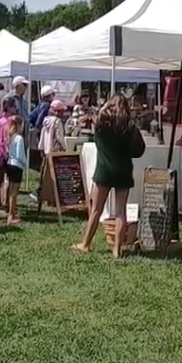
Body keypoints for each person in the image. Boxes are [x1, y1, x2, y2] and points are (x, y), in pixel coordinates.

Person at [73, 94, 145, 258]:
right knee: (121, 211)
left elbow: (96, 136)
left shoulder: (101, 125)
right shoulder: (130, 126)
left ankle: (85, 243)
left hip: (104, 170)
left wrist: (105, 108)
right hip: (124, 170)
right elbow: (138, 151)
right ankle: (117, 250)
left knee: (96, 210)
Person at [5, 115, 27, 225]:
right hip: (17, 166)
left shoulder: (10, 136)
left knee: (10, 191)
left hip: (9, 164)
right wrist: (25, 163)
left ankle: (10, 212)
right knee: (14, 193)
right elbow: (20, 155)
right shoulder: (19, 138)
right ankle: (11, 215)